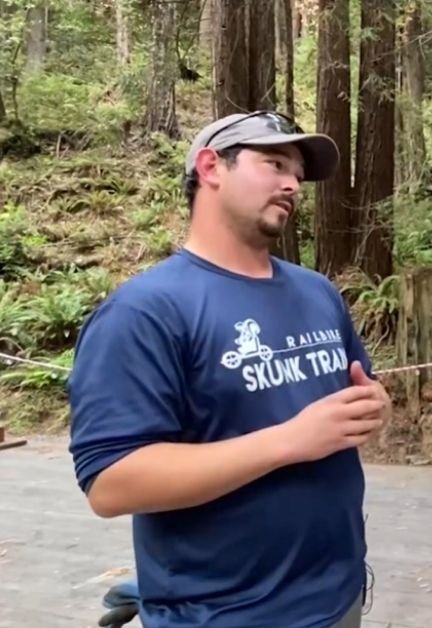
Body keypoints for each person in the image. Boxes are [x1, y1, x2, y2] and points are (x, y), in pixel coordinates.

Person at [67, 110, 392, 628]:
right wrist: (289, 440)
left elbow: (360, 394)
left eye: (298, 176)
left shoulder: (317, 292)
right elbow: (112, 484)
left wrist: (374, 406)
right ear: (211, 167)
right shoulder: (145, 311)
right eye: (274, 163)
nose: (292, 184)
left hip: (338, 596)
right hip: (223, 612)